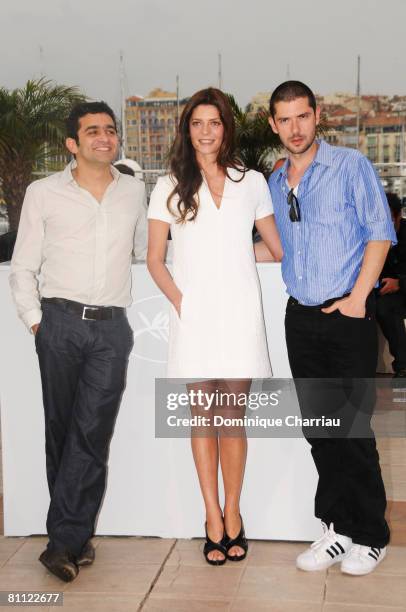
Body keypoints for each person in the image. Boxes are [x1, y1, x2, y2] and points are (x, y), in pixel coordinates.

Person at [9, 101, 147, 582]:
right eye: (93, 131)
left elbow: (148, 250)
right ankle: (75, 535)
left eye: (110, 130)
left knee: (91, 433)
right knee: (62, 431)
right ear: (73, 143)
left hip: (111, 329)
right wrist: (35, 321)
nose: (104, 138)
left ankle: (63, 541)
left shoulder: (133, 191)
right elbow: (23, 265)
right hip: (59, 323)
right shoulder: (43, 193)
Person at [147, 87, 282, 565]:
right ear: (187, 130)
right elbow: (155, 260)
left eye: (215, 122)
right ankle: (211, 517)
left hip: (241, 315)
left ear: (227, 128)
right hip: (194, 318)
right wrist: (186, 303)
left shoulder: (254, 182)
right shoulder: (168, 184)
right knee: (201, 417)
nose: (206, 132)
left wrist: (232, 263)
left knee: (232, 420)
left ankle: (234, 512)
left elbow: (275, 248)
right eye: (197, 123)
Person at [267, 81, 396, 576]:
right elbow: (279, 249)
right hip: (300, 318)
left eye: (303, 116)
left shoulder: (349, 166)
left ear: (316, 116)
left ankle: (370, 534)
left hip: (347, 318)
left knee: (352, 429)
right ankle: (337, 527)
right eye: (285, 119)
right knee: (319, 430)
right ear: (274, 124)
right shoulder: (277, 182)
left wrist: (358, 299)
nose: (295, 128)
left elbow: (380, 232)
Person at [376, 192, 406, 376]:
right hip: (389, 296)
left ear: (398, 216)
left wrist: (400, 283)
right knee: (382, 306)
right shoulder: (375, 237)